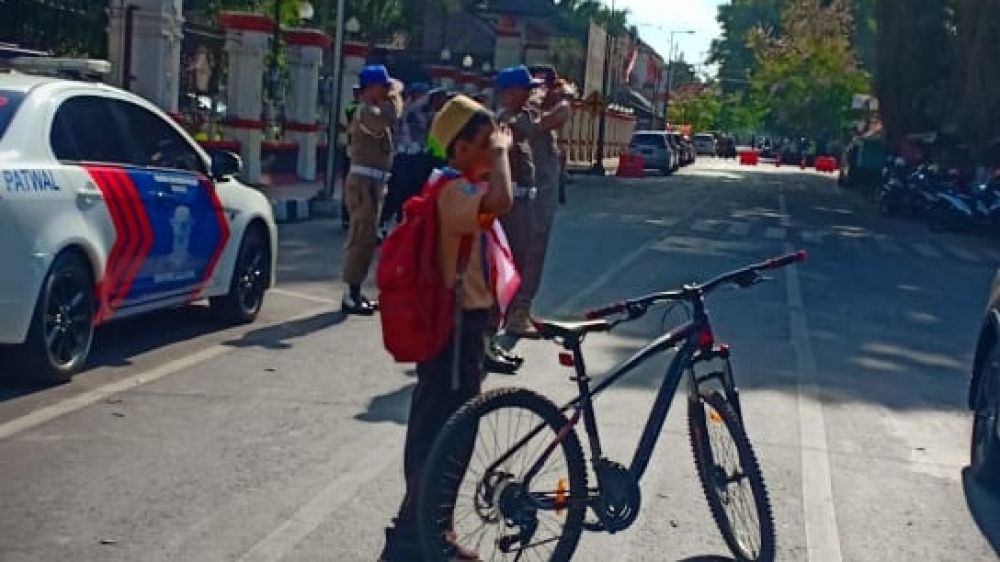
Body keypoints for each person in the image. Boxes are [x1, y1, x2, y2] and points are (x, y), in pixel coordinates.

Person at [378, 95, 514, 562]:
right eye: (483, 141)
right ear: (459, 150)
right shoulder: (457, 192)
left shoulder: (451, 186)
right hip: (456, 332)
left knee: (437, 428)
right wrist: (502, 156)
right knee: (448, 434)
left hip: (460, 327)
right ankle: (419, 538)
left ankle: (423, 531)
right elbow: (503, 199)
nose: (493, 146)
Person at [495, 64, 573, 338]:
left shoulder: (528, 113)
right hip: (525, 200)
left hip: (539, 195)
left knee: (532, 254)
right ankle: (515, 312)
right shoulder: (509, 117)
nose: (532, 93)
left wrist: (555, 97)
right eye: (527, 89)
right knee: (525, 254)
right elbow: (549, 120)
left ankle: (520, 310)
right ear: (510, 93)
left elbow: (556, 114)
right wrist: (555, 98)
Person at [341, 65, 403, 315]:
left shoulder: (375, 109)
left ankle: (356, 291)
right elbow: (387, 118)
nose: (388, 90)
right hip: (363, 183)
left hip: (374, 183)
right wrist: (396, 94)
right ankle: (350, 294)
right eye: (383, 86)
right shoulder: (365, 111)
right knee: (360, 238)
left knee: (367, 240)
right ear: (370, 88)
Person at [380, 82, 433, 236]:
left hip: (412, 155)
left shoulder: (415, 109)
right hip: (405, 155)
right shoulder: (411, 109)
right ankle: (387, 222)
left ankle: (400, 222)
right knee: (400, 191)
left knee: (408, 192)